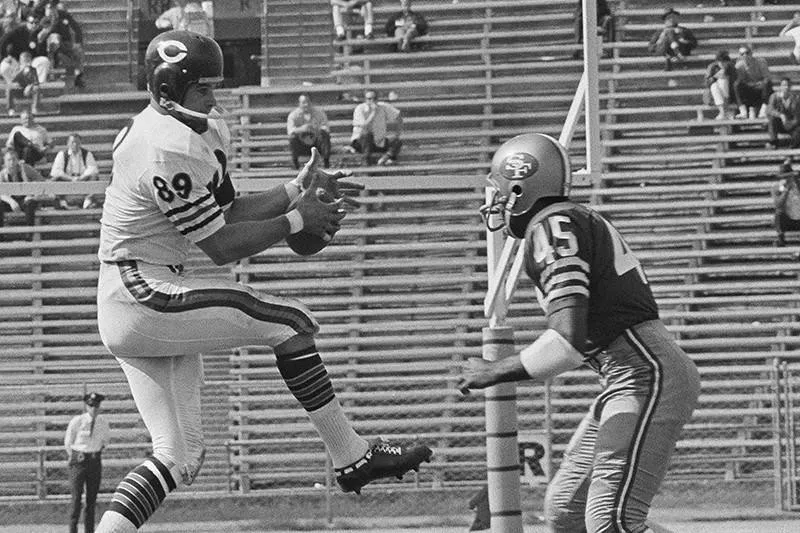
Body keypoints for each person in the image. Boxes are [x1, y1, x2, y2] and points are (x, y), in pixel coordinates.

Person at [94, 30, 431, 533]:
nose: (214, 98)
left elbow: (228, 211)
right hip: (138, 291)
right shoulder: (163, 146)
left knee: (178, 457)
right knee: (290, 324)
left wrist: (296, 190)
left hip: (145, 290)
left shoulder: (189, 130)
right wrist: (297, 221)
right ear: (168, 89)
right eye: (203, 89)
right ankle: (352, 455)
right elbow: (222, 246)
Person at [457, 133, 700, 533]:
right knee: (568, 512)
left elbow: (566, 343)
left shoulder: (553, 224)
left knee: (610, 520)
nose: (496, 202)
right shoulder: (565, 219)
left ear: (521, 186)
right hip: (626, 374)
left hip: (644, 373)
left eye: (501, 191)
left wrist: (495, 370)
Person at [65, 392, 110, 533]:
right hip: (79, 460)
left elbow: (105, 442)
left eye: (96, 406)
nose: (94, 409)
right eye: (91, 406)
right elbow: (68, 441)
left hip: (94, 460)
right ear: (86, 406)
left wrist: (94, 452)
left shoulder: (103, 422)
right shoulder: (77, 421)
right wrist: (75, 456)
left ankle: (89, 531)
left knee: (91, 500)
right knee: (76, 499)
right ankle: (73, 530)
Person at [37, 1, 85, 88]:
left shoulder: (64, 16)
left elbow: (76, 28)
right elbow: (42, 35)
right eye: (49, 9)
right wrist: (53, 23)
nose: (51, 11)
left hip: (65, 43)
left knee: (78, 50)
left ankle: (79, 76)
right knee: (54, 38)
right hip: (49, 47)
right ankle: (52, 73)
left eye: (52, 8)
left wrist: (78, 42)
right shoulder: (44, 20)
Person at [348, 89, 402, 166]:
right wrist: (373, 112)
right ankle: (366, 165)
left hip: (378, 142)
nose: (372, 101)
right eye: (369, 99)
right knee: (367, 136)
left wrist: (398, 133)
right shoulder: (360, 109)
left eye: (374, 98)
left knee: (396, 141)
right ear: (365, 100)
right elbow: (365, 126)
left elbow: (398, 116)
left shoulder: (383, 106)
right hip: (361, 142)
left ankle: (384, 159)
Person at [49, 132, 100, 209]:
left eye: (77, 142)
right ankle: (62, 203)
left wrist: (81, 178)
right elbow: (56, 171)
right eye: (72, 142)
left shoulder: (87, 153)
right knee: (55, 179)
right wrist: (71, 179)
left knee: (94, 176)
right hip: (67, 182)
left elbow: (93, 169)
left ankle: (88, 201)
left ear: (80, 143)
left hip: (83, 181)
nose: (75, 145)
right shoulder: (62, 154)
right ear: (68, 143)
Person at [0, 14, 51, 83]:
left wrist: (40, 42)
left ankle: (38, 85)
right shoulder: (17, 31)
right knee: (4, 67)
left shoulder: (40, 33)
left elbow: (43, 54)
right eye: (31, 22)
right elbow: (3, 42)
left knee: (44, 61)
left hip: (32, 61)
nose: (34, 25)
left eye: (36, 23)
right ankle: (14, 84)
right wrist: (5, 56)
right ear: (27, 23)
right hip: (17, 61)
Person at [287, 93, 331, 170]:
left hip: (317, 144)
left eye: (308, 102)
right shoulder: (293, 115)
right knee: (292, 137)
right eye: (303, 102)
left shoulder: (319, 113)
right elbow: (290, 131)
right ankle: (295, 163)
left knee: (324, 135)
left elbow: (326, 128)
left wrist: (316, 129)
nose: (306, 104)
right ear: (299, 104)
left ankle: (326, 162)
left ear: (311, 102)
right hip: (302, 144)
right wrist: (302, 128)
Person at [0, 146, 41, 226]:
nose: (12, 162)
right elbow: (1, 193)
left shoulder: (26, 168)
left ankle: (29, 235)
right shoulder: (2, 174)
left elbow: (40, 180)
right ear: (4, 162)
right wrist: (11, 202)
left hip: (26, 199)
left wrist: (23, 172)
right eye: (9, 160)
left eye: (14, 159)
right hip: (11, 200)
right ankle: (1, 236)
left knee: (30, 203)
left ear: (17, 160)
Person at [648, 7, 697, 71]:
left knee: (669, 33)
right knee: (669, 32)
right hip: (664, 50)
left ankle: (672, 56)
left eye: (673, 17)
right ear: (665, 20)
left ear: (677, 19)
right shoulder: (660, 32)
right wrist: (660, 40)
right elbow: (651, 48)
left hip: (681, 49)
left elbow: (694, 44)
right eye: (668, 18)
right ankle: (677, 53)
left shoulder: (684, 30)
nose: (671, 19)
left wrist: (684, 41)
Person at [733, 45, 772, 119]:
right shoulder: (739, 66)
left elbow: (767, 78)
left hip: (760, 88)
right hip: (749, 89)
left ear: (751, 53)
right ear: (740, 56)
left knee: (767, 83)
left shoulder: (761, 62)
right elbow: (741, 81)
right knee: (736, 85)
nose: (745, 55)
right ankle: (743, 112)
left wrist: (760, 83)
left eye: (747, 53)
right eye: (742, 54)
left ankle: (763, 112)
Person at [766, 77, 800, 149]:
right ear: (780, 86)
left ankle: (791, 150)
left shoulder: (796, 98)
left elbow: (797, 115)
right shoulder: (774, 96)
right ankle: (773, 142)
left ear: (791, 87)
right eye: (784, 85)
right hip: (779, 124)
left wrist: (791, 123)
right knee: (772, 119)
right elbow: (769, 110)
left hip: (791, 124)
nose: (786, 87)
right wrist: (781, 115)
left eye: (788, 85)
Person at [772, 159, 800, 247]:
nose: (786, 179)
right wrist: (786, 190)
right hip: (788, 219)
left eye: (789, 176)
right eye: (784, 177)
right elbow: (778, 204)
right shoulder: (777, 187)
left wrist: (796, 183)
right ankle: (781, 238)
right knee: (778, 213)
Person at [703, 50, 736, 120]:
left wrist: (727, 77)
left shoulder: (731, 68)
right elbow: (707, 83)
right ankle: (724, 112)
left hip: (729, 95)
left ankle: (722, 113)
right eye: (721, 62)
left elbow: (734, 83)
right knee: (714, 85)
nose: (723, 64)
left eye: (725, 62)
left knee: (723, 81)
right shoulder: (712, 67)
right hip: (712, 95)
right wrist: (716, 76)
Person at [6, 50, 39, 115]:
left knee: (36, 89)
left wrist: (30, 86)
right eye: (23, 60)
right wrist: (21, 70)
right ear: (20, 61)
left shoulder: (33, 70)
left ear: (30, 61)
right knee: (9, 89)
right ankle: (11, 109)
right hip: (19, 90)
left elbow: (36, 82)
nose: (25, 62)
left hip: (29, 91)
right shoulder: (17, 69)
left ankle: (34, 108)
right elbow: (12, 80)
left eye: (27, 60)